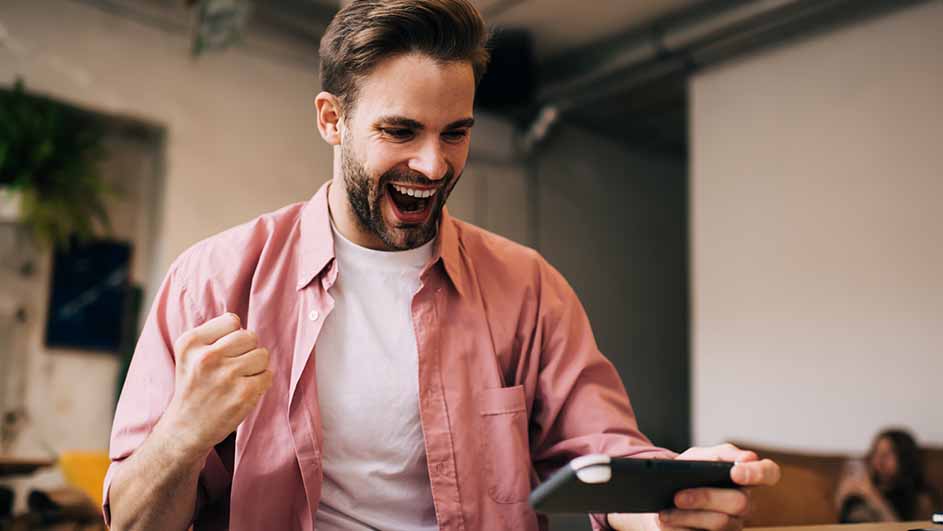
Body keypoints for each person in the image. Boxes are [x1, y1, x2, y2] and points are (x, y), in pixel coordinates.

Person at [103, 1, 780, 530]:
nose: (433, 165)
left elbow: (602, 455)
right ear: (330, 120)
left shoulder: (527, 288)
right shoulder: (215, 280)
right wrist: (183, 434)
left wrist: (671, 493)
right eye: (400, 131)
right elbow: (131, 521)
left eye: (454, 132)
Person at [836, 429, 939, 523]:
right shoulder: (866, 485)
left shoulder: (921, 498)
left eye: (887, 454)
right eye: (876, 453)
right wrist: (843, 495)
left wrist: (871, 494)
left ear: (904, 458)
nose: (879, 461)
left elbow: (901, 528)